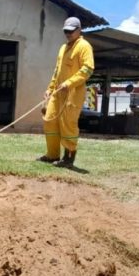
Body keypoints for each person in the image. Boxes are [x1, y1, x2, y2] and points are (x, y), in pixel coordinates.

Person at [40, 17, 95, 167]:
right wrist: (50, 88)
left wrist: (69, 83)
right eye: (66, 31)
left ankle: (68, 158)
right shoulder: (63, 48)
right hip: (57, 92)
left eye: (71, 31)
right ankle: (52, 154)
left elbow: (88, 69)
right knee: (49, 120)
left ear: (79, 30)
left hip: (73, 93)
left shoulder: (84, 46)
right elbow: (57, 71)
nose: (68, 34)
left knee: (68, 124)